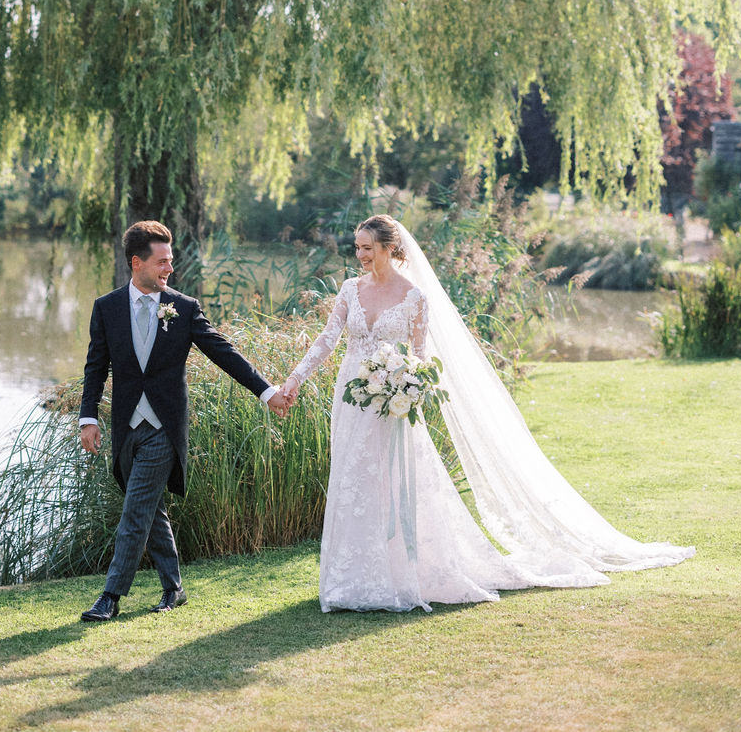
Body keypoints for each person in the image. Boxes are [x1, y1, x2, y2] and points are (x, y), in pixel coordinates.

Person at [280, 213, 694, 613]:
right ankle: (350, 580)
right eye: (357, 248)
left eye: (367, 248)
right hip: (352, 398)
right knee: (354, 479)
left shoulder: (414, 298)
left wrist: (407, 384)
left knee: (392, 482)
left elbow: (421, 359)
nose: (360, 256)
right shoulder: (350, 289)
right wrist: (294, 380)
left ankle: (397, 575)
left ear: (390, 248)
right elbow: (327, 339)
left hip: (393, 404)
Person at [78, 220, 290, 622]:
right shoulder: (106, 308)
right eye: (161, 262)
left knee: (135, 511)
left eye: (171, 262)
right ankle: (174, 587)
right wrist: (89, 417)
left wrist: (267, 392)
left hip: (164, 429)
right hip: (126, 428)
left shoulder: (184, 307)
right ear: (136, 262)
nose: (169, 269)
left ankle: (110, 596)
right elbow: (95, 368)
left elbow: (224, 353)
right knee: (148, 506)